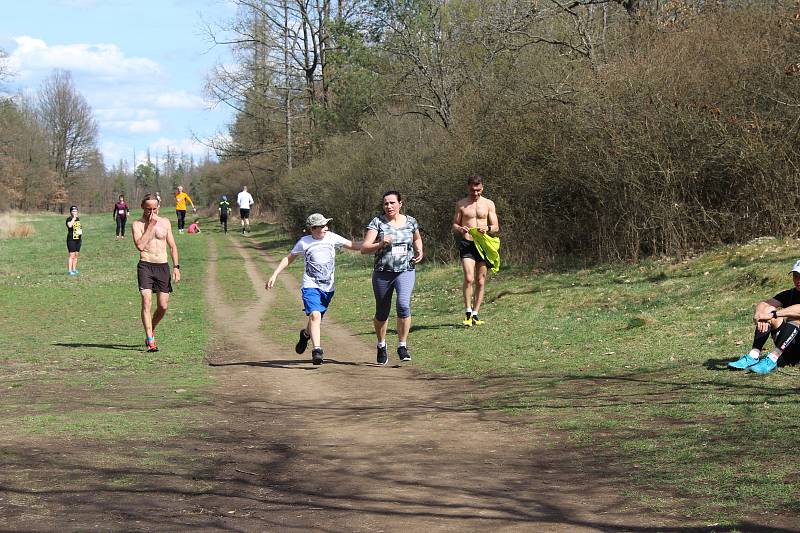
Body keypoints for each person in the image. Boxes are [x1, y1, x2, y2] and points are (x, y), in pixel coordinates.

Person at [265, 213, 359, 365]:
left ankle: (305, 334)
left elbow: (354, 245)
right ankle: (317, 351)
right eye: (322, 226)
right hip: (311, 285)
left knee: (316, 318)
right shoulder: (304, 242)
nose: (325, 228)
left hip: (328, 287)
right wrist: (275, 275)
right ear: (313, 229)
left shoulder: (332, 237)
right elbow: (289, 258)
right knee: (315, 316)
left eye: (326, 225)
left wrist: (377, 245)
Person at [361, 191, 423, 365]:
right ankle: (381, 345)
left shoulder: (411, 221)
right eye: (386, 204)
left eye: (392, 203)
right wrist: (380, 243)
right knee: (382, 311)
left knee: (403, 305)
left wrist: (420, 250)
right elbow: (364, 248)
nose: (389, 206)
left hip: (405, 270)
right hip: (383, 273)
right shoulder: (377, 222)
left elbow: (417, 238)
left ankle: (402, 345)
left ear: (400, 204)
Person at [727, 260, 800, 374]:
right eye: (795, 276)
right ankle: (753, 355)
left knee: (795, 319)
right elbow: (764, 304)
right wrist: (759, 315)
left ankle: (772, 358)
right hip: (787, 347)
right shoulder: (790, 293)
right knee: (767, 310)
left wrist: (772, 314)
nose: (798, 280)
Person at [132, 193, 180, 353]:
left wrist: (176, 267)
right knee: (146, 301)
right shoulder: (137, 224)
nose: (151, 212)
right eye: (148, 209)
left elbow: (172, 246)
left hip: (162, 266)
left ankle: (151, 328)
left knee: (163, 306)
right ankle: (150, 341)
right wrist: (150, 225)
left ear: (158, 206)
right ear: (142, 208)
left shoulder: (165, 222)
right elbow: (139, 245)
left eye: (154, 208)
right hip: (145, 264)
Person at [452, 174, 500, 327]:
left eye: (478, 190)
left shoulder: (489, 204)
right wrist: (460, 228)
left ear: (482, 188)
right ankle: (467, 312)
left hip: (483, 245)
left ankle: (476, 313)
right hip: (467, 243)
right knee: (469, 278)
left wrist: (488, 228)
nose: (476, 193)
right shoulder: (461, 204)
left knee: (480, 281)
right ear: (468, 188)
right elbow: (454, 225)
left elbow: (496, 227)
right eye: (473, 190)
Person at [66, 205, 82, 276]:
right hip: (71, 239)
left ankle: (74, 269)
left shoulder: (78, 219)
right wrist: (73, 218)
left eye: (75, 211)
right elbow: (69, 226)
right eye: (73, 211)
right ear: (70, 212)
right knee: (71, 255)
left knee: (76, 255)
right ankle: (70, 271)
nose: (74, 212)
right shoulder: (69, 219)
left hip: (78, 239)